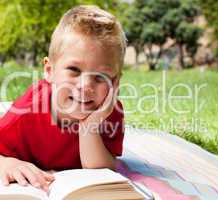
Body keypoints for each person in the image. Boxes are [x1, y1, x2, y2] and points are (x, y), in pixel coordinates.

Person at [0, 5, 126, 192]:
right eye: (74, 70)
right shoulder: (26, 112)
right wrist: (6, 163)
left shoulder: (110, 113)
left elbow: (101, 174)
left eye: (101, 76)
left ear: (115, 83)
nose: (86, 86)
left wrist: (88, 128)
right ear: (49, 71)